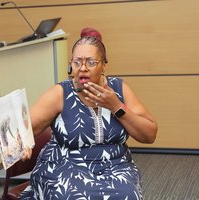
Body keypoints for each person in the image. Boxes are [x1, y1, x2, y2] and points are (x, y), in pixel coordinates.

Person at [19, 27, 158, 199]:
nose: (82, 68)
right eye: (77, 62)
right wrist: (23, 142)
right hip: (64, 166)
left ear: (104, 65)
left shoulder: (119, 89)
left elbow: (149, 135)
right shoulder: (60, 93)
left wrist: (116, 106)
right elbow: (23, 129)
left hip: (115, 167)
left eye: (91, 62)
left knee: (127, 195)